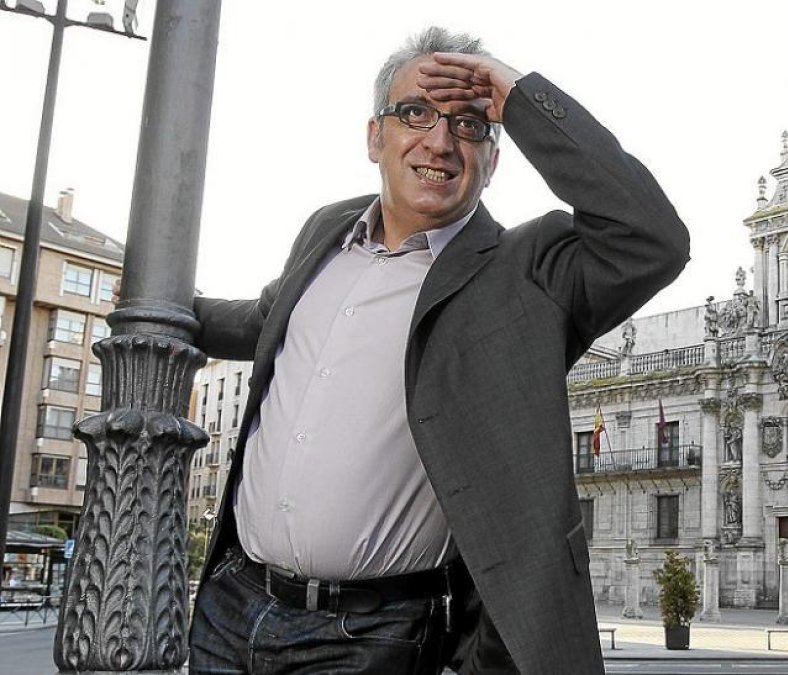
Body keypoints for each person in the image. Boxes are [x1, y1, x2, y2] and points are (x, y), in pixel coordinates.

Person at [187, 27, 688, 675]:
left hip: (374, 635)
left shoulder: (528, 270)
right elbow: (263, 322)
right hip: (232, 603)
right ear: (376, 137)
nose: (441, 141)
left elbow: (652, 239)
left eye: (470, 125)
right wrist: (163, 304)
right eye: (416, 113)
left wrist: (519, 97)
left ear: (495, 157)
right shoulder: (326, 230)